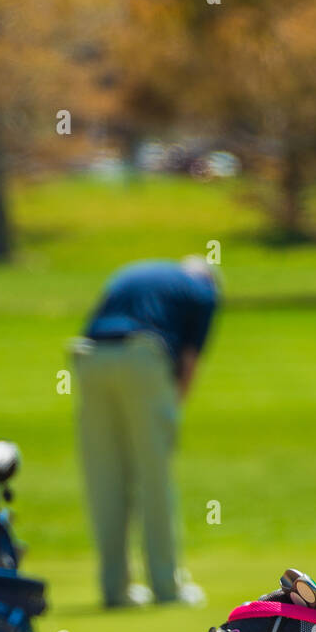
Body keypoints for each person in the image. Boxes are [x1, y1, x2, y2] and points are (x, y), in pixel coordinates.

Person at [71, 256, 221, 607]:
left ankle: (115, 589)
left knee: (105, 476)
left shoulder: (132, 272)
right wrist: (171, 410)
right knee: (155, 477)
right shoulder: (204, 291)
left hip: (88, 358)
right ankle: (167, 587)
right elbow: (188, 361)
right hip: (143, 359)